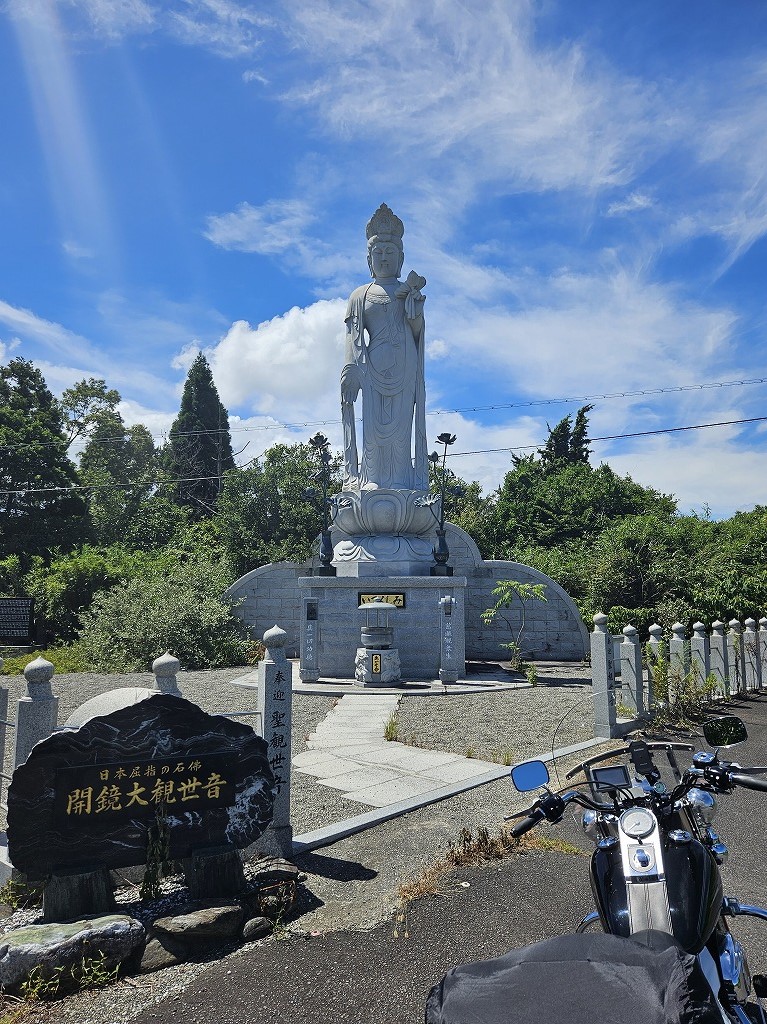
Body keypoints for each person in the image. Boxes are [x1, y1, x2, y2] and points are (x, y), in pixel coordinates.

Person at [341, 204, 429, 492]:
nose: (384, 257)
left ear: (400, 258)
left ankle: (401, 479)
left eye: (390, 252)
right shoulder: (359, 295)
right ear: (369, 259)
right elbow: (353, 338)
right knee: (374, 428)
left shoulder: (408, 291)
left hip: (405, 363)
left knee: (401, 427)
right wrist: (350, 372)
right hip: (374, 366)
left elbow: (416, 332)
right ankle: (373, 477)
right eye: (378, 252)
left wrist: (415, 312)